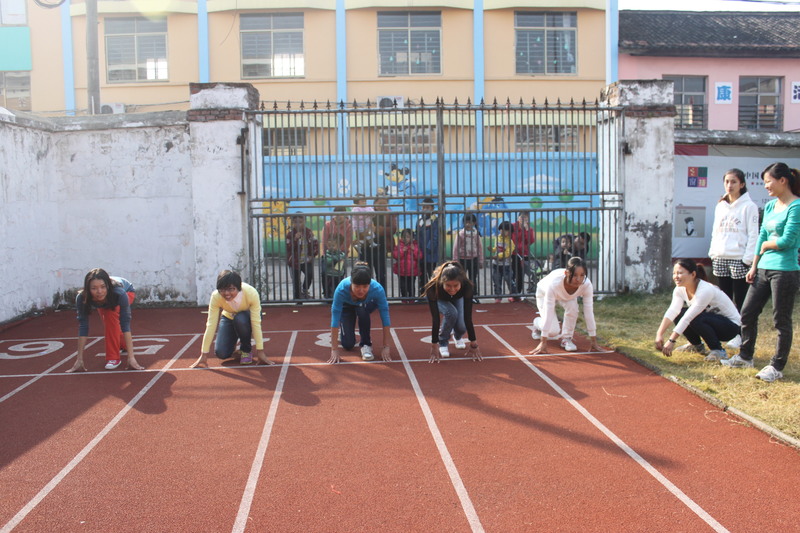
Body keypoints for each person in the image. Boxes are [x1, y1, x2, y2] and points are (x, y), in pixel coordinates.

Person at [721, 163, 800, 382]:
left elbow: (787, 241)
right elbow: (762, 235)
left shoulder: (796, 206)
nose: (765, 186)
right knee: (747, 313)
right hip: (763, 267)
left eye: (768, 181)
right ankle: (745, 356)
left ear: (782, 181)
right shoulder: (771, 206)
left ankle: (776, 366)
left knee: (781, 320)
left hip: (785, 270)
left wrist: (766, 246)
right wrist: (754, 265)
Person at [655, 259, 741, 362]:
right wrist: (659, 334)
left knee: (694, 317)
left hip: (730, 327)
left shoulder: (705, 290)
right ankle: (696, 346)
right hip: (711, 321)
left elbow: (688, 317)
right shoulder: (679, 289)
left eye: (680, 273)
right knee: (680, 313)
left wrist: (671, 340)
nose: (676, 276)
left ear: (693, 274)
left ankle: (718, 351)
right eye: (674, 273)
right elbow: (673, 311)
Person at [67, 268, 144, 372]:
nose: (99, 292)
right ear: (88, 289)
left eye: (102, 287)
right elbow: (83, 326)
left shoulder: (119, 293)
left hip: (127, 291)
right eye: (94, 288)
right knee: (110, 324)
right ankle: (123, 345)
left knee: (110, 316)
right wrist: (79, 359)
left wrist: (131, 358)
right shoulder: (82, 297)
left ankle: (113, 358)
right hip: (106, 298)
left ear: (107, 286)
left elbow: (125, 323)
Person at [191, 270, 271, 368]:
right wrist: (204, 354)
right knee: (221, 353)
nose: (226, 293)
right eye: (222, 290)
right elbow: (211, 324)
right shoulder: (216, 297)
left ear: (239, 288)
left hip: (247, 317)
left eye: (231, 289)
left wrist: (260, 351)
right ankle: (234, 345)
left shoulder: (251, 293)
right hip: (229, 317)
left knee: (240, 319)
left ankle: (246, 350)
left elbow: (256, 323)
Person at [708, 168, 759, 312]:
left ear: (742, 184)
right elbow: (715, 231)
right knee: (724, 300)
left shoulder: (749, 206)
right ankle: (727, 325)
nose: (729, 185)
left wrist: (747, 259)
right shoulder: (720, 206)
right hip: (720, 257)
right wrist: (713, 253)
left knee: (741, 300)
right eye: (727, 182)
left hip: (739, 258)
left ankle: (741, 325)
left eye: (734, 182)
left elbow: (753, 234)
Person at [530, 256, 601, 354]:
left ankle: (566, 338)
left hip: (567, 296)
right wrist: (543, 341)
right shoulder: (553, 284)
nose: (578, 279)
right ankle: (537, 323)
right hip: (544, 293)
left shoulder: (587, 285)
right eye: (575, 275)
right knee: (553, 331)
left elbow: (588, 312)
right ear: (566, 273)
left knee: (573, 308)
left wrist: (593, 341)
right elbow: (549, 311)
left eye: (582, 275)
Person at [328, 262, 392, 363]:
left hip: (366, 304)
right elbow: (335, 318)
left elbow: (385, 317)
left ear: (369, 284)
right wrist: (334, 349)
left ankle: (366, 344)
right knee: (348, 345)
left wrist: (386, 346)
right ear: (351, 282)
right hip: (347, 306)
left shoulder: (377, 289)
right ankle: (346, 331)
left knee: (362, 309)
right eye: (357, 286)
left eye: (365, 287)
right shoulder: (341, 289)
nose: (361, 290)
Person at [424, 261, 482, 362]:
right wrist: (434, 344)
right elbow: (436, 319)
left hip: (458, 298)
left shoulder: (467, 286)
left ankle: (457, 336)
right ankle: (443, 342)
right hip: (439, 298)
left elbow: (468, 317)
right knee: (451, 312)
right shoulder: (432, 287)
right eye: (448, 285)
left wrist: (473, 343)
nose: (452, 289)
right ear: (442, 282)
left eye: (456, 285)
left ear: (461, 283)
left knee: (462, 326)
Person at [285, 213, 319, 301]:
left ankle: (304, 291)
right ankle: (298, 299)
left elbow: (315, 244)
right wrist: (295, 239)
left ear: (304, 222)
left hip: (306, 260)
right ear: (292, 223)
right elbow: (288, 247)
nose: (298, 224)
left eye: (300, 222)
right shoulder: (290, 234)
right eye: (295, 222)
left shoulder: (309, 232)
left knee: (310, 274)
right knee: (296, 280)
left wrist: (312, 255)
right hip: (294, 261)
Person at [452, 213, 484, 298]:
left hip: (474, 259)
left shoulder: (476, 234)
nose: (468, 224)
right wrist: (455, 260)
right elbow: (456, 248)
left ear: (474, 223)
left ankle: (474, 295)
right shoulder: (461, 234)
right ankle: (461, 295)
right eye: (466, 222)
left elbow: (480, 248)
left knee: (473, 279)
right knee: (461, 278)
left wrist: (481, 260)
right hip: (462, 259)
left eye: (470, 222)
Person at [370, 196, 397, 291]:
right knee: (366, 273)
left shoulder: (389, 214)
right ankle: (367, 294)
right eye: (380, 204)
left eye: (384, 204)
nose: (382, 206)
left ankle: (382, 293)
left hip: (382, 246)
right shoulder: (369, 212)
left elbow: (393, 229)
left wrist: (378, 229)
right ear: (375, 204)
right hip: (367, 247)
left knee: (381, 274)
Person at [415, 197, 440, 294]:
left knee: (432, 274)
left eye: (428, 207)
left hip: (431, 253)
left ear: (432, 208)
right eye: (423, 207)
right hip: (420, 253)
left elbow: (435, 237)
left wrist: (428, 248)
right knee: (421, 275)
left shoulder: (435, 220)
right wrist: (417, 249)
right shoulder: (419, 220)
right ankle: (422, 293)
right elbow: (417, 235)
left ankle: (434, 293)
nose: (425, 209)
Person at [490, 221, 517, 303]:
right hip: (496, 264)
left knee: (509, 280)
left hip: (506, 265)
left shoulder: (510, 242)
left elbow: (508, 253)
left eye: (505, 230)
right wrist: (492, 250)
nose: (502, 231)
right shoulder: (497, 238)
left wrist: (498, 256)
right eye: (501, 229)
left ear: (510, 232)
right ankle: (498, 296)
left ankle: (514, 295)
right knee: (496, 281)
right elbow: (496, 248)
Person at [393, 228, 422, 302]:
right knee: (403, 287)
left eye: (408, 237)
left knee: (411, 287)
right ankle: (404, 300)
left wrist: (414, 250)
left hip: (412, 271)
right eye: (404, 237)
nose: (406, 239)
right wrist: (402, 251)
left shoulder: (415, 245)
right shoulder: (399, 246)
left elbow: (420, 256)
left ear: (412, 238)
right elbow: (395, 255)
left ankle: (412, 300)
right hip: (401, 271)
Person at [511, 211, 536, 297]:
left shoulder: (529, 229)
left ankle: (518, 293)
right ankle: (513, 292)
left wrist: (527, 230)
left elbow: (530, 241)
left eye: (525, 217)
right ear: (518, 218)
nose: (523, 219)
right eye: (522, 217)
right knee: (513, 273)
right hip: (513, 253)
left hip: (524, 254)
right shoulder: (513, 226)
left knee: (521, 274)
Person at [322, 234, 348, 299]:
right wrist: (335, 259)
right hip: (329, 274)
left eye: (333, 246)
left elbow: (344, 262)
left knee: (338, 287)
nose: (331, 247)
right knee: (328, 286)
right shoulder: (327, 254)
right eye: (329, 246)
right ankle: (327, 296)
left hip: (339, 274)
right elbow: (328, 262)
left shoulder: (341, 254)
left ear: (338, 246)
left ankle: (338, 297)